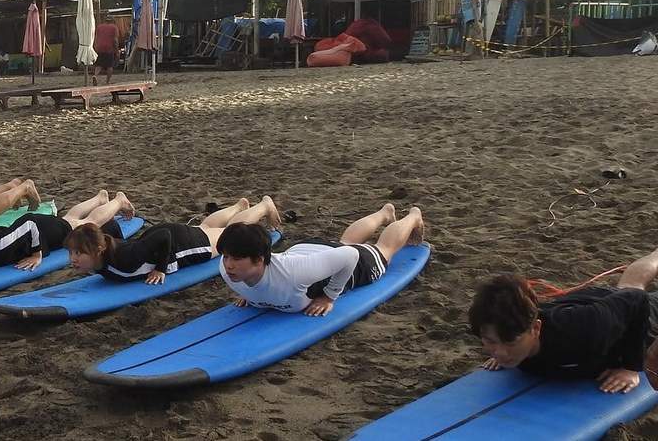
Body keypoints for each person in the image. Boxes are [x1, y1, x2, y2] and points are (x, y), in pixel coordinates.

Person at [469, 246, 658, 394]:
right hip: (586, 303)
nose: (500, 352)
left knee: (633, 289)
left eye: (510, 342)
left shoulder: (582, 331)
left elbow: (636, 300)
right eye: (491, 342)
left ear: (536, 328)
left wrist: (631, 367)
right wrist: (502, 351)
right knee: (627, 286)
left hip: (626, 317)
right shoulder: (504, 328)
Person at [219, 203, 423, 316]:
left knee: (383, 250)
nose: (229, 265)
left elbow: (350, 255)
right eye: (227, 257)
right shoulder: (227, 270)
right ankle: (383, 213)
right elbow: (261, 281)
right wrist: (251, 291)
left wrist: (329, 296)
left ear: (259, 259)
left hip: (338, 264)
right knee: (345, 241)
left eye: (236, 259)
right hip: (308, 251)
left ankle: (413, 217)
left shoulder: (294, 273)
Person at [65, 197, 263, 285]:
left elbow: (164, 237)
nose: (72, 258)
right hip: (162, 235)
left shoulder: (126, 259)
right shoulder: (102, 256)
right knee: (206, 228)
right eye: (71, 252)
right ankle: (238, 206)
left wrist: (161, 268)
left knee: (229, 236)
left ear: (98, 250)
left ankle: (264, 206)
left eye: (78, 253)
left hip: (179, 244)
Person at [0, 190, 133, 270]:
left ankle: (118, 200)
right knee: (69, 220)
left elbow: (29, 222)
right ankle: (100, 198)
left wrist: (37, 254)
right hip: (35, 231)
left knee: (85, 224)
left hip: (41, 230)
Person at [92, 17, 119, 86]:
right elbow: (115, 40)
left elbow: (96, 37)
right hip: (109, 48)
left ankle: (95, 75)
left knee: (99, 64)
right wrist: (117, 50)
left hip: (99, 47)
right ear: (112, 21)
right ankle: (107, 81)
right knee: (109, 65)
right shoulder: (114, 27)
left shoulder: (99, 27)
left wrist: (95, 47)